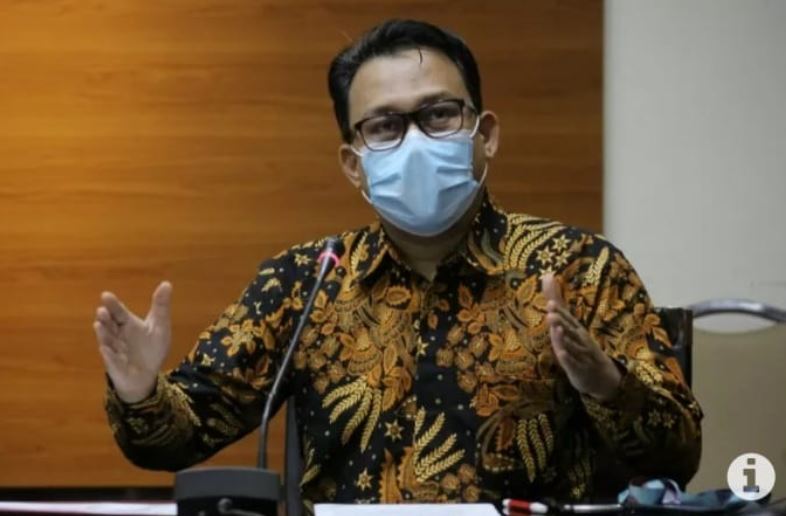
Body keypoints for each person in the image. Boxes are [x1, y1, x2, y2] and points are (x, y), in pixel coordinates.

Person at [94, 19, 702, 510]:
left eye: (438, 115)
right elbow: (174, 441)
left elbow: (678, 457)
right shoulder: (304, 281)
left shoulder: (577, 268)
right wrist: (140, 390)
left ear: (485, 134)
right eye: (385, 126)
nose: (414, 140)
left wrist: (609, 386)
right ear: (353, 164)